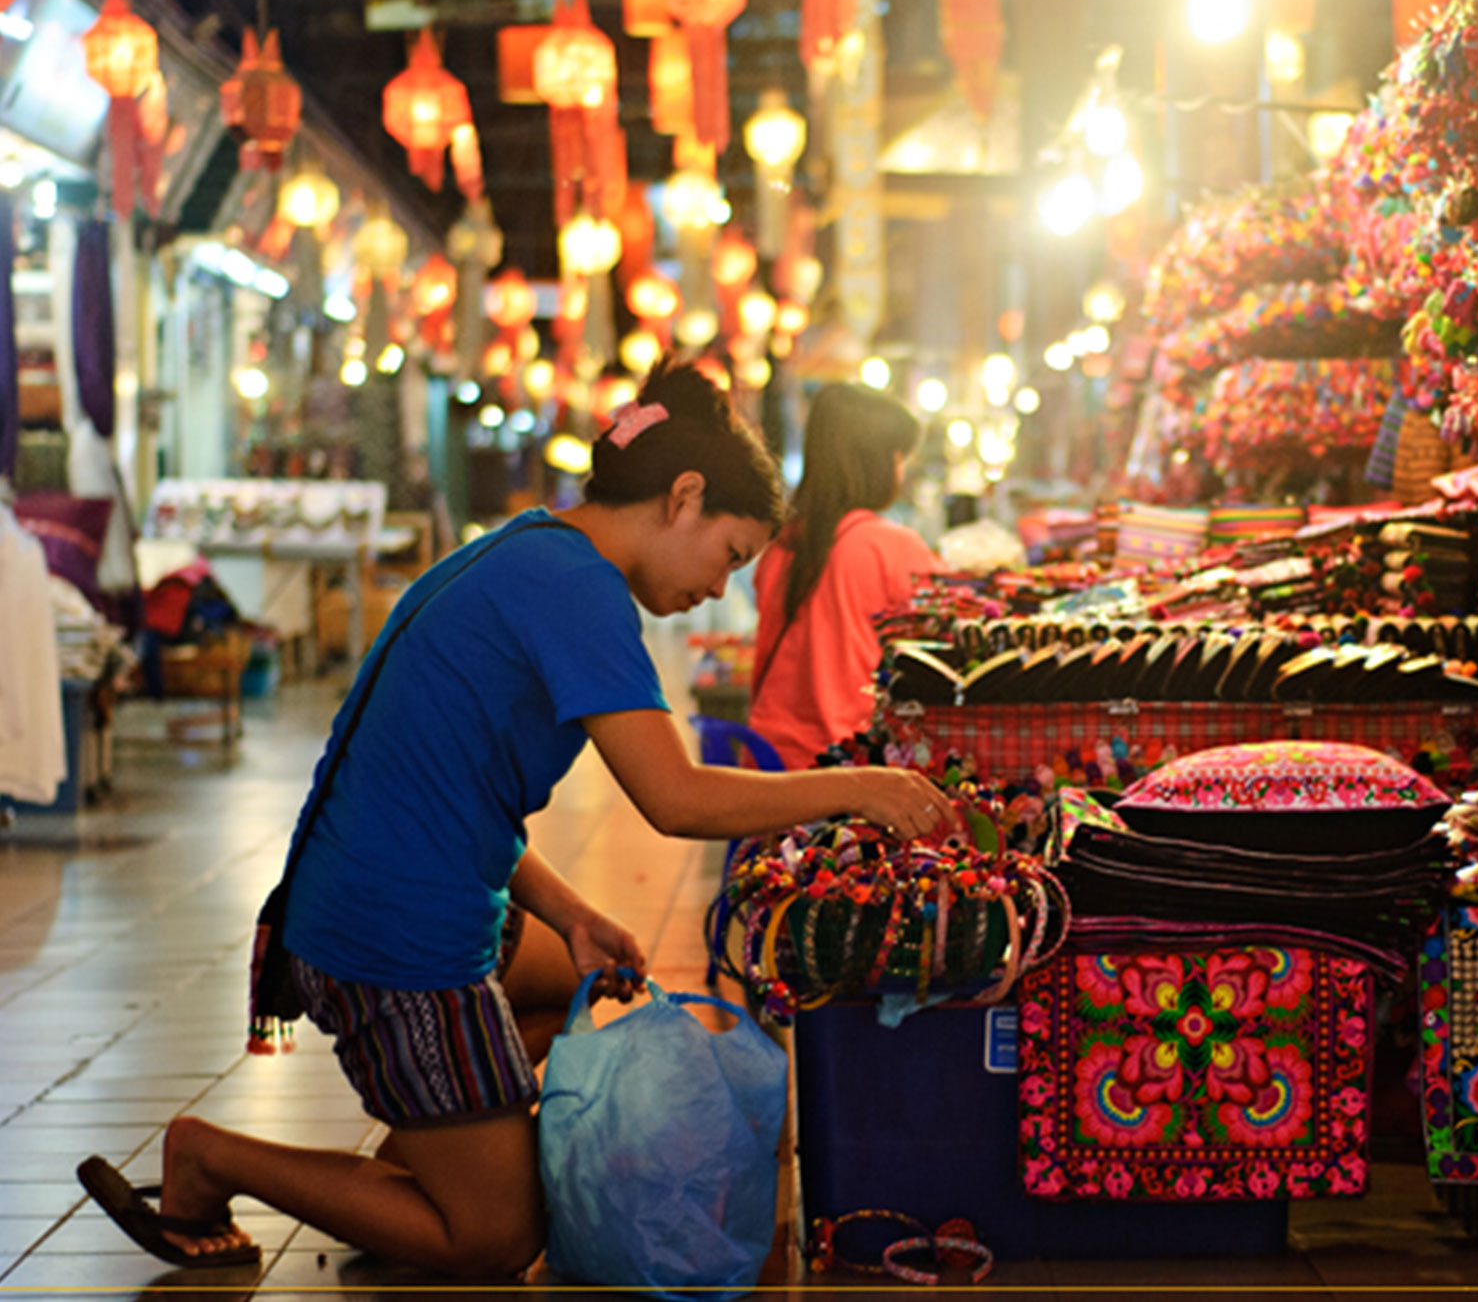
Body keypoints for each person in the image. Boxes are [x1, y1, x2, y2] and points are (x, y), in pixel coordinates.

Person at [76, 363, 957, 1278]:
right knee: (496, 1237)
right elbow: (675, 797)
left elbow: (467, 784)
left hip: (402, 887)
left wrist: (571, 915)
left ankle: (438, 1146)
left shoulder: (536, 550)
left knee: (592, 974)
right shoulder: (575, 589)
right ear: (683, 496)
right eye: (730, 555)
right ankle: (214, 1158)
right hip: (391, 932)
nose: (722, 587)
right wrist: (862, 787)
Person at [749, 384, 941, 767]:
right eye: (899, 457)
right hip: (846, 771)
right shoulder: (890, 546)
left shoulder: (782, 546)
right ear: (879, 461)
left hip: (767, 766)